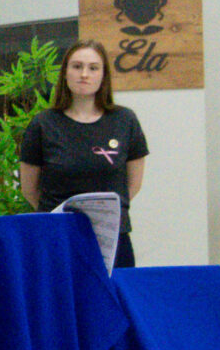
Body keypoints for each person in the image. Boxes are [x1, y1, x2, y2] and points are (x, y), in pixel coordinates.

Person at [17, 39, 148, 267]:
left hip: (112, 239)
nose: (84, 74)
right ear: (65, 73)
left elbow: (132, 186)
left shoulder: (125, 120)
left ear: (103, 75)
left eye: (93, 68)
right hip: (58, 237)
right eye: (77, 66)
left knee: (115, 291)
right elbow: (30, 190)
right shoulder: (43, 124)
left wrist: (101, 218)